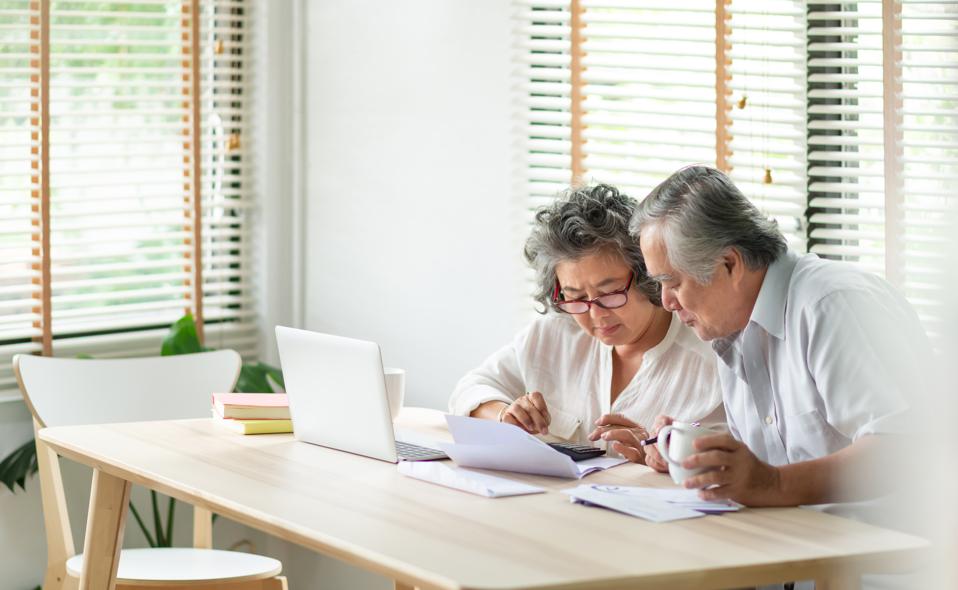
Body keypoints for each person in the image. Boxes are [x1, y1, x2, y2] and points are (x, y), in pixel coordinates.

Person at [626, 165, 929, 509]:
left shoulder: (831, 304)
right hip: (793, 542)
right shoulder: (731, 325)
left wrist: (771, 483)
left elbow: (900, 452)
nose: (666, 301)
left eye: (673, 282)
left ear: (729, 264)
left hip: (882, 553)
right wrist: (696, 455)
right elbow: (772, 461)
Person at [448, 184, 723, 461]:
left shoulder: (712, 360)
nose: (595, 314)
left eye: (610, 294)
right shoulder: (554, 335)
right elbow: (470, 389)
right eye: (576, 297)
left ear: (647, 276)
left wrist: (665, 458)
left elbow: (735, 463)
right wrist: (504, 416)